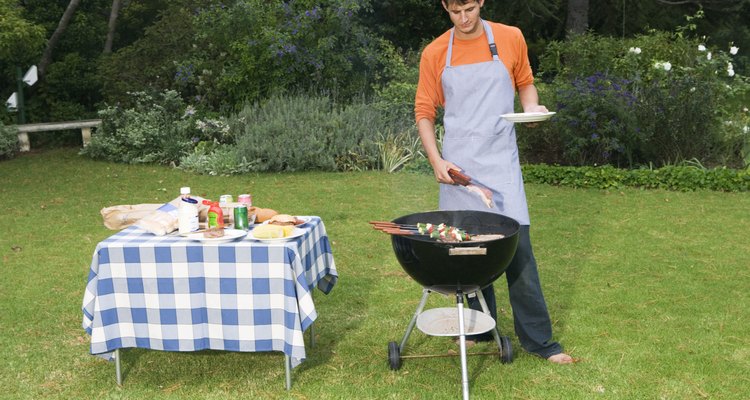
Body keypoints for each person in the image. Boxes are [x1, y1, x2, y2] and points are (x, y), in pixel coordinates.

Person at [414, 0, 573, 364]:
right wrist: (436, 159)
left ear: (481, 1)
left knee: (518, 254)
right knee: (468, 252)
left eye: (469, 7)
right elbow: (424, 110)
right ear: (445, 7)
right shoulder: (436, 51)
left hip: (501, 160)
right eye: (455, 11)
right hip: (459, 166)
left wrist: (532, 108)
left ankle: (540, 342)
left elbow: (525, 84)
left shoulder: (510, 37)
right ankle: (479, 329)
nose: (464, 18)